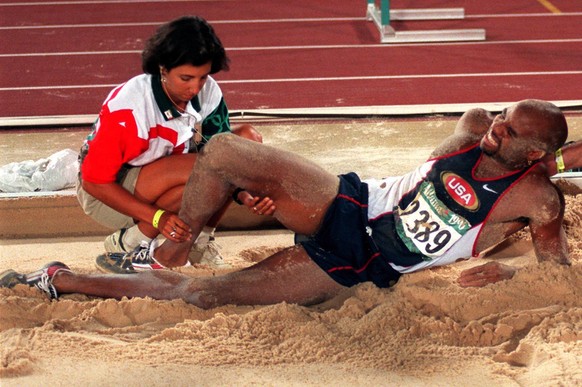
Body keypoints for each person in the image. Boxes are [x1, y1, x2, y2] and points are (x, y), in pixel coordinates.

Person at [2, 100, 580, 308]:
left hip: (361, 263)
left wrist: (504, 271)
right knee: (226, 150)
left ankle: (61, 280)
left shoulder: (537, 198)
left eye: (508, 133)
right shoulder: (474, 129)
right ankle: (167, 249)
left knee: (204, 295)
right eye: (501, 118)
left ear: (532, 152)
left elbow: (556, 277)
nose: (495, 129)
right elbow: (525, 139)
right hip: (345, 199)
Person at [75, 15, 272, 272]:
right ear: (163, 68)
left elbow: (226, 158)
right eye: (186, 78)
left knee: (246, 141)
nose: (195, 88)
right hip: (107, 194)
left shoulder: (208, 92)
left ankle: (200, 241)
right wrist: (158, 218)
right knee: (205, 166)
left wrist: (244, 194)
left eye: (202, 77)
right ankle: (131, 241)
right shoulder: (130, 107)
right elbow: (93, 181)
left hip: (168, 174)